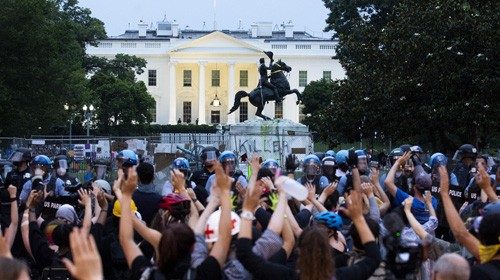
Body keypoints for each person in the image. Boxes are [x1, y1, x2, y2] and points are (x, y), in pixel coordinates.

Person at [119, 162, 233, 280]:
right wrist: (224, 194)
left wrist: (126, 195)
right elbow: (224, 237)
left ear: (161, 246)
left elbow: (125, 240)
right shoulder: (204, 274)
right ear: (194, 246)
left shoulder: (146, 274)